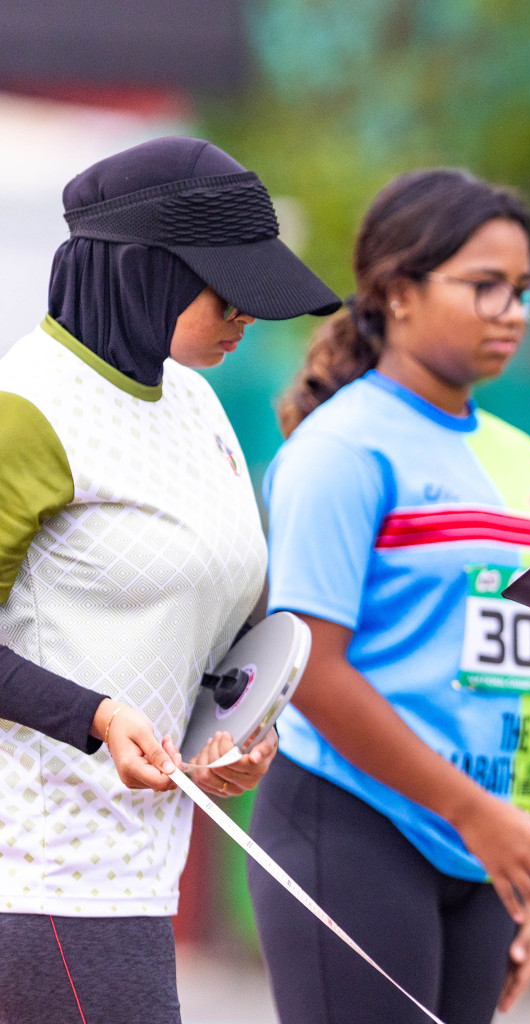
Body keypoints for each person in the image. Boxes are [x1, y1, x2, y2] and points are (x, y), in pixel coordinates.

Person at [0, 136, 342, 1024]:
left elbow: (222, 617)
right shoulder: (26, 408)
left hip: (140, 872)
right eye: (229, 291)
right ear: (142, 272)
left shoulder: (194, 399)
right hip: (38, 877)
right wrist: (99, 717)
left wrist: (240, 725)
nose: (249, 318)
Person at [251, 168, 530, 1024]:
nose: (511, 310)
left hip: (490, 842)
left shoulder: (527, 461)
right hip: (357, 823)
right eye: (484, 287)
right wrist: (476, 814)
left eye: (522, 290)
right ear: (398, 293)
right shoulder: (343, 452)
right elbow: (313, 673)